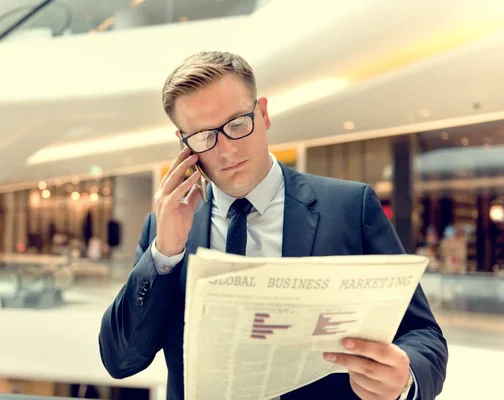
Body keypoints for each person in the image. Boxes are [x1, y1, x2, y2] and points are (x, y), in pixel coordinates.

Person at [99, 51, 448, 400]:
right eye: (204, 137)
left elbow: (423, 335)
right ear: (184, 143)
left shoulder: (349, 208)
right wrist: (165, 253)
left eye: (237, 125)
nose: (226, 151)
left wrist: (405, 378)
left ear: (263, 113)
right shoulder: (164, 229)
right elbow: (121, 360)